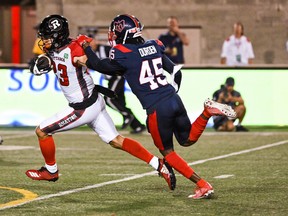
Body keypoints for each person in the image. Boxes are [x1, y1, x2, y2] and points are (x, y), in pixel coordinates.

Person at [80, 14, 237, 199]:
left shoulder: (123, 53)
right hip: (173, 98)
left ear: (122, 33)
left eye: (115, 32)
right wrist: (171, 92)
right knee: (186, 140)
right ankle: (206, 112)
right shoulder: (153, 46)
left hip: (156, 108)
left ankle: (202, 184)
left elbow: (98, 65)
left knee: (167, 153)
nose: (113, 35)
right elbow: (175, 71)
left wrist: (85, 47)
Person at [25, 14, 176, 191]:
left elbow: (88, 52)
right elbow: (56, 58)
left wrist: (85, 48)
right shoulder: (58, 48)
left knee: (42, 131)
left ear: (58, 36)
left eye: (48, 37)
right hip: (95, 100)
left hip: (83, 107)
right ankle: (159, 165)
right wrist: (46, 61)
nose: (45, 41)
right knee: (116, 140)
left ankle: (51, 171)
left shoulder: (75, 47)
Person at [88, 29, 146, 133]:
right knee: (121, 103)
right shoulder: (91, 53)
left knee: (109, 99)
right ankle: (138, 126)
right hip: (111, 78)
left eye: (91, 41)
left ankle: (127, 115)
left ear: (96, 40)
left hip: (117, 76)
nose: (90, 44)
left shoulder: (104, 49)